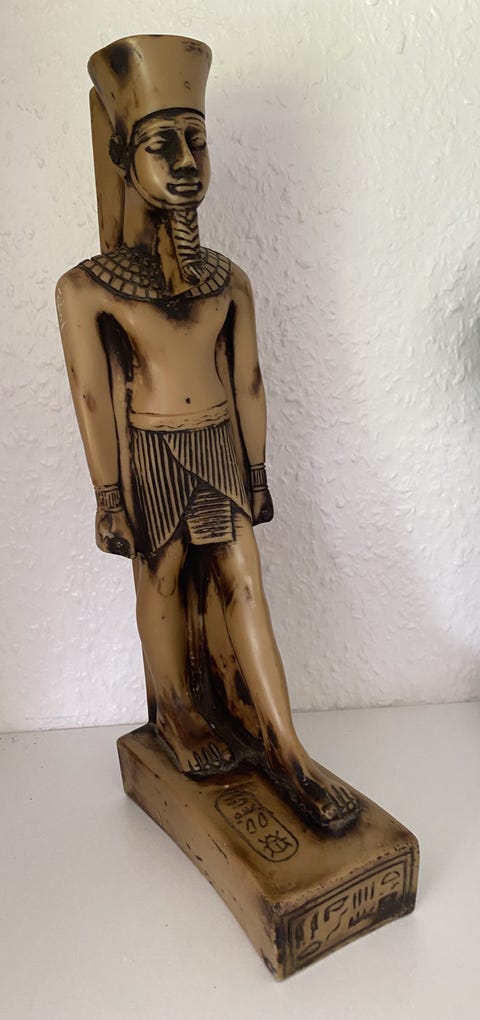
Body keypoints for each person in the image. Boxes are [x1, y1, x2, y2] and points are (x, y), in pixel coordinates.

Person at [56, 35, 358, 832]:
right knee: (161, 579)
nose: (186, 161)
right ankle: (176, 715)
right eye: (163, 144)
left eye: (197, 140)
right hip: (151, 452)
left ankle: (287, 749)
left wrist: (257, 471)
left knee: (245, 583)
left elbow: (248, 381)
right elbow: (92, 395)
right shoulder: (89, 288)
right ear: (123, 155)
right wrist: (108, 493)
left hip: (219, 448)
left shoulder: (229, 279)